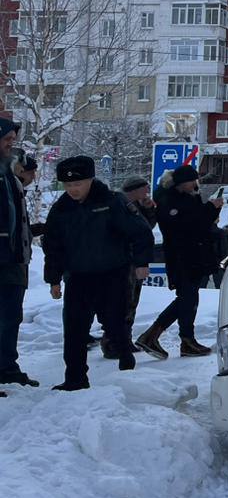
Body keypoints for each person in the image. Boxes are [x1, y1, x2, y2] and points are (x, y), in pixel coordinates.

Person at [42, 156, 152, 391]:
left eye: (77, 184)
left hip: (112, 274)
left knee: (114, 324)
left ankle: (126, 364)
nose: (73, 190)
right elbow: (53, 246)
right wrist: (53, 278)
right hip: (78, 277)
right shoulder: (61, 209)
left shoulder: (112, 202)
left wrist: (142, 262)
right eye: (68, 185)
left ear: (90, 180)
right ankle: (75, 378)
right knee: (74, 329)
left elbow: (141, 232)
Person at [136, 165, 221, 359]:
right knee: (187, 297)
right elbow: (188, 225)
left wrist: (212, 211)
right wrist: (210, 208)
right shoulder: (169, 201)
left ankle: (171, 337)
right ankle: (169, 337)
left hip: (194, 255)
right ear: (182, 182)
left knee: (188, 298)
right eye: (192, 181)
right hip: (183, 257)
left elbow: (200, 223)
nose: (195, 184)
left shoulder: (187, 197)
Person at [100, 176, 158, 359]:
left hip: (135, 261)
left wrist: (149, 211)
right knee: (122, 301)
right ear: (135, 190)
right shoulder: (119, 205)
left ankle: (124, 339)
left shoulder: (137, 207)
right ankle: (112, 341)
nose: (147, 193)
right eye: (144, 190)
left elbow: (146, 229)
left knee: (131, 302)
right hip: (122, 261)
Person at [0, 120, 36, 391]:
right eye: (6, 139)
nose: (11, 143)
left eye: (12, 138)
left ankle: (6, 368)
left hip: (13, 260)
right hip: (3, 259)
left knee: (11, 316)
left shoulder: (8, 174)